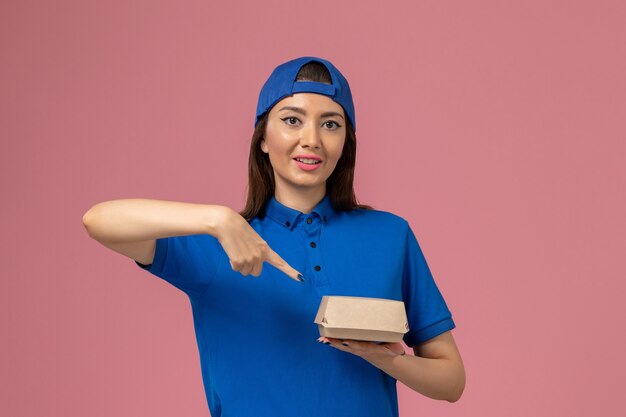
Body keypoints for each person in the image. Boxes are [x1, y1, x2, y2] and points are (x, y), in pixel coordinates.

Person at [82, 56, 465, 416]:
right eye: (292, 120)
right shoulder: (221, 242)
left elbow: (451, 381)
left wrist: (385, 358)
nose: (312, 139)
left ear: (345, 141)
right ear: (263, 137)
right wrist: (218, 219)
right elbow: (98, 220)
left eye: (330, 123)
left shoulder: (390, 236)